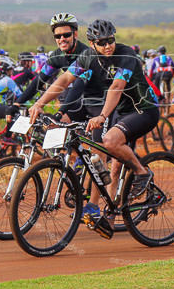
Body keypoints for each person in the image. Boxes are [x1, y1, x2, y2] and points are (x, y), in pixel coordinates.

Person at [28, 20, 160, 207]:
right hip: (119, 111)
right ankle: (109, 215)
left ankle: (142, 172)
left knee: (110, 143)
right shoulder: (88, 56)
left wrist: (102, 116)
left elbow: (117, 86)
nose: (107, 46)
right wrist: (39, 103)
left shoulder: (126, 54)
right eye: (101, 42)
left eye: (110, 40)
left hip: (143, 110)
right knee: (110, 164)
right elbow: (65, 79)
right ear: (92, 43)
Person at [15, 12, 103, 122]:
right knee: (54, 127)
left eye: (66, 35)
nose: (62, 39)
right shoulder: (57, 56)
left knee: (99, 139)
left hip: (99, 101)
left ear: (75, 34)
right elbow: (39, 81)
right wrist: (17, 104)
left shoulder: (85, 54)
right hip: (78, 101)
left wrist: (61, 111)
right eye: (57, 36)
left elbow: (78, 85)